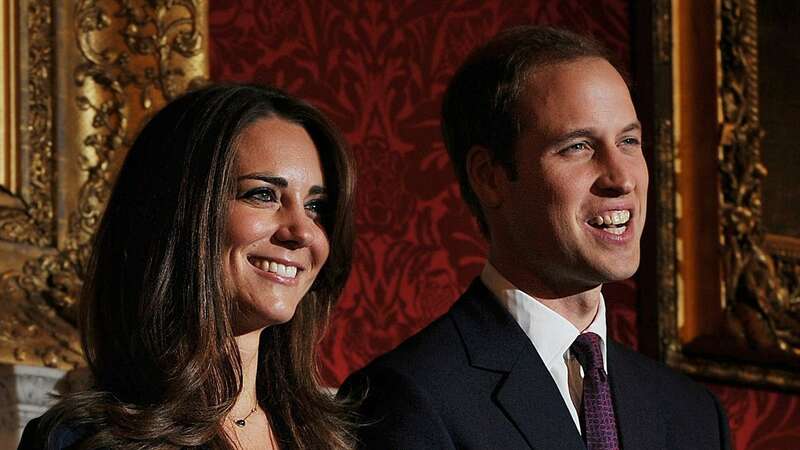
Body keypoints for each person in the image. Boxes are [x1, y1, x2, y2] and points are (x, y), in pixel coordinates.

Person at [340, 26, 731, 449]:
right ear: (490, 178)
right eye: (578, 147)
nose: (621, 178)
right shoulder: (404, 397)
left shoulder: (693, 414)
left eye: (629, 141)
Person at [19, 84, 357, 449]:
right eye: (262, 194)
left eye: (316, 207)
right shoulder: (79, 441)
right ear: (179, 213)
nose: (303, 232)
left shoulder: (335, 438)